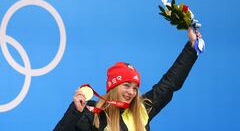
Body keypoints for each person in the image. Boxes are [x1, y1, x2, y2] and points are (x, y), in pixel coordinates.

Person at [54, 27, 203, 131]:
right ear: (113, 86)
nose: (131, 92)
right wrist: (75, 112)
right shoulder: (93, 114)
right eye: (126, 85)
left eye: (135, 87)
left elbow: (170, 83)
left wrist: (191, 47)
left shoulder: (143, 109)